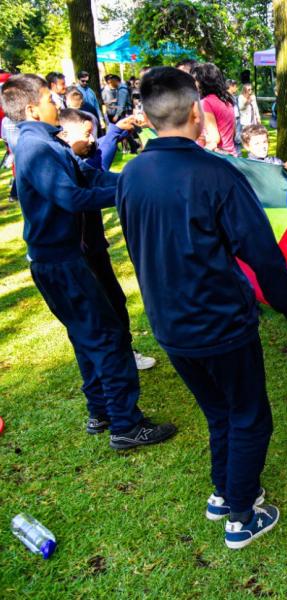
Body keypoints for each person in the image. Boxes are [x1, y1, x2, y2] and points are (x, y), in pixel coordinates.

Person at [117, 67, 287, 548]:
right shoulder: (215, 173)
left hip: (171, 326)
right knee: (249, 414)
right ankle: (242, 514)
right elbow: (264, 255)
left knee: (219, 411)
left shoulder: (131, 173)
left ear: (146, 117)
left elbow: (137, 244)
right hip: (220, 324)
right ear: (196, 113)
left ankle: (225, 492)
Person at [2, 74, 176, 449]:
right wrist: (130, 195)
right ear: (32, 107)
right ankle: (126, 425)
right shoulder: (36, 148)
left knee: (86, 336)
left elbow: (92, 176)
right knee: (107, 336)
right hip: (60, 262)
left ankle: (100, 411)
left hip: (62, 259)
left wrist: (137, 179)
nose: (58, 104)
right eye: (50, 98)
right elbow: (73, 197)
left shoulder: (49, 144)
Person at [55, 108, 157, 371]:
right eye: (88, 135)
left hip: (95, 247)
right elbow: (85, 190)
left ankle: (124, 352)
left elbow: (97, 171)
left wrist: (114, 132)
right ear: (65, 135)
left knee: (115, 300)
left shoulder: (78, 161)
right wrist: (132, 189)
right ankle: (111, 364)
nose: (92, 140)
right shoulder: (57, 166)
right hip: (76, 254)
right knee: (97, 311)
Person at [191, 63, 237, 156]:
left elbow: (214, 139)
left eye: (195, 80)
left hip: (217, 158)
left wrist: (198, 155)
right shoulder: (227, 100)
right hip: (231, 155)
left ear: (203, 82)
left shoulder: (206, 102)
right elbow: (234, 132)